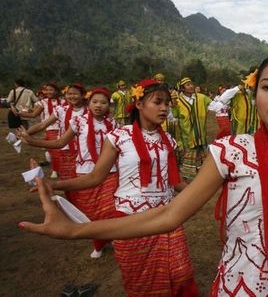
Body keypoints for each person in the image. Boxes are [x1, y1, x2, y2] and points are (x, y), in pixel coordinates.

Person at [19, 53, 268, 296]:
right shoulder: (231, 151)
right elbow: (169, 214)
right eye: (267, 87)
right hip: (240, 287)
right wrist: (77, 230)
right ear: (257, 97)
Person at [23, 79, 198, 296]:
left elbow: (174, 180)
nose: (164, 108)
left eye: (167, 104)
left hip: (166, 216)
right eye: (158, 102)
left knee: (179, 273)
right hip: (129, 217)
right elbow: (95, 177)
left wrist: (202, 189)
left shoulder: (169, 141)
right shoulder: (119, 137)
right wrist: (54, 184)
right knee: (140, 280)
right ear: (139, 104)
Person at [18, 88, 118, 258]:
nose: (98, 105)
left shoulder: (114, 124)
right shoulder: (78, 122)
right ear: (89, 103)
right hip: (84, 172)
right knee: (91, 212)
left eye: (103, 102)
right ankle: (98, 240)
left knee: (109, 209)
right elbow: (60, 142)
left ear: (109, 105)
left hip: (111, 172)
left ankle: (112, 237)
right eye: (95, 102)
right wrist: (32, 141)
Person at [24, 83, 88, 181]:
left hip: (85, 150)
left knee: (83, 180)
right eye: (69, 94)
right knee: (68, 180)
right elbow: (43, 124)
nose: (71, 96)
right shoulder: (61, 110)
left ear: (83, 95)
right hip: (66, 150)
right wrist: (26, 134)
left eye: (75, 94)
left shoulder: (90, 110)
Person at [16, 83, 64, 178]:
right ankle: (55, 170)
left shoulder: (63, 102)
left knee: (62, 151)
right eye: (47, 90)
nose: (48, 92)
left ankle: (61, 169)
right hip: (50, 129)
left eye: (51, 90)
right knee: (54, 151)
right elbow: (34, 114)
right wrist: (19, 114)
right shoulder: (43, 102)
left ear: (57, 91)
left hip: (63, 129)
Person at [173, 77, 213, 182]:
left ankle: (201, 182)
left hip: (201, 137)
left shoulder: (201, 98)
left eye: (191, 84)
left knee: (202, 163)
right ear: (182, 88)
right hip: (187, 138)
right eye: (188, 85)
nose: (191, 86)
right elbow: (175, 116)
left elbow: (214, 105)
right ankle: (189, 186)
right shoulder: (178, 101)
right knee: (188, 167)